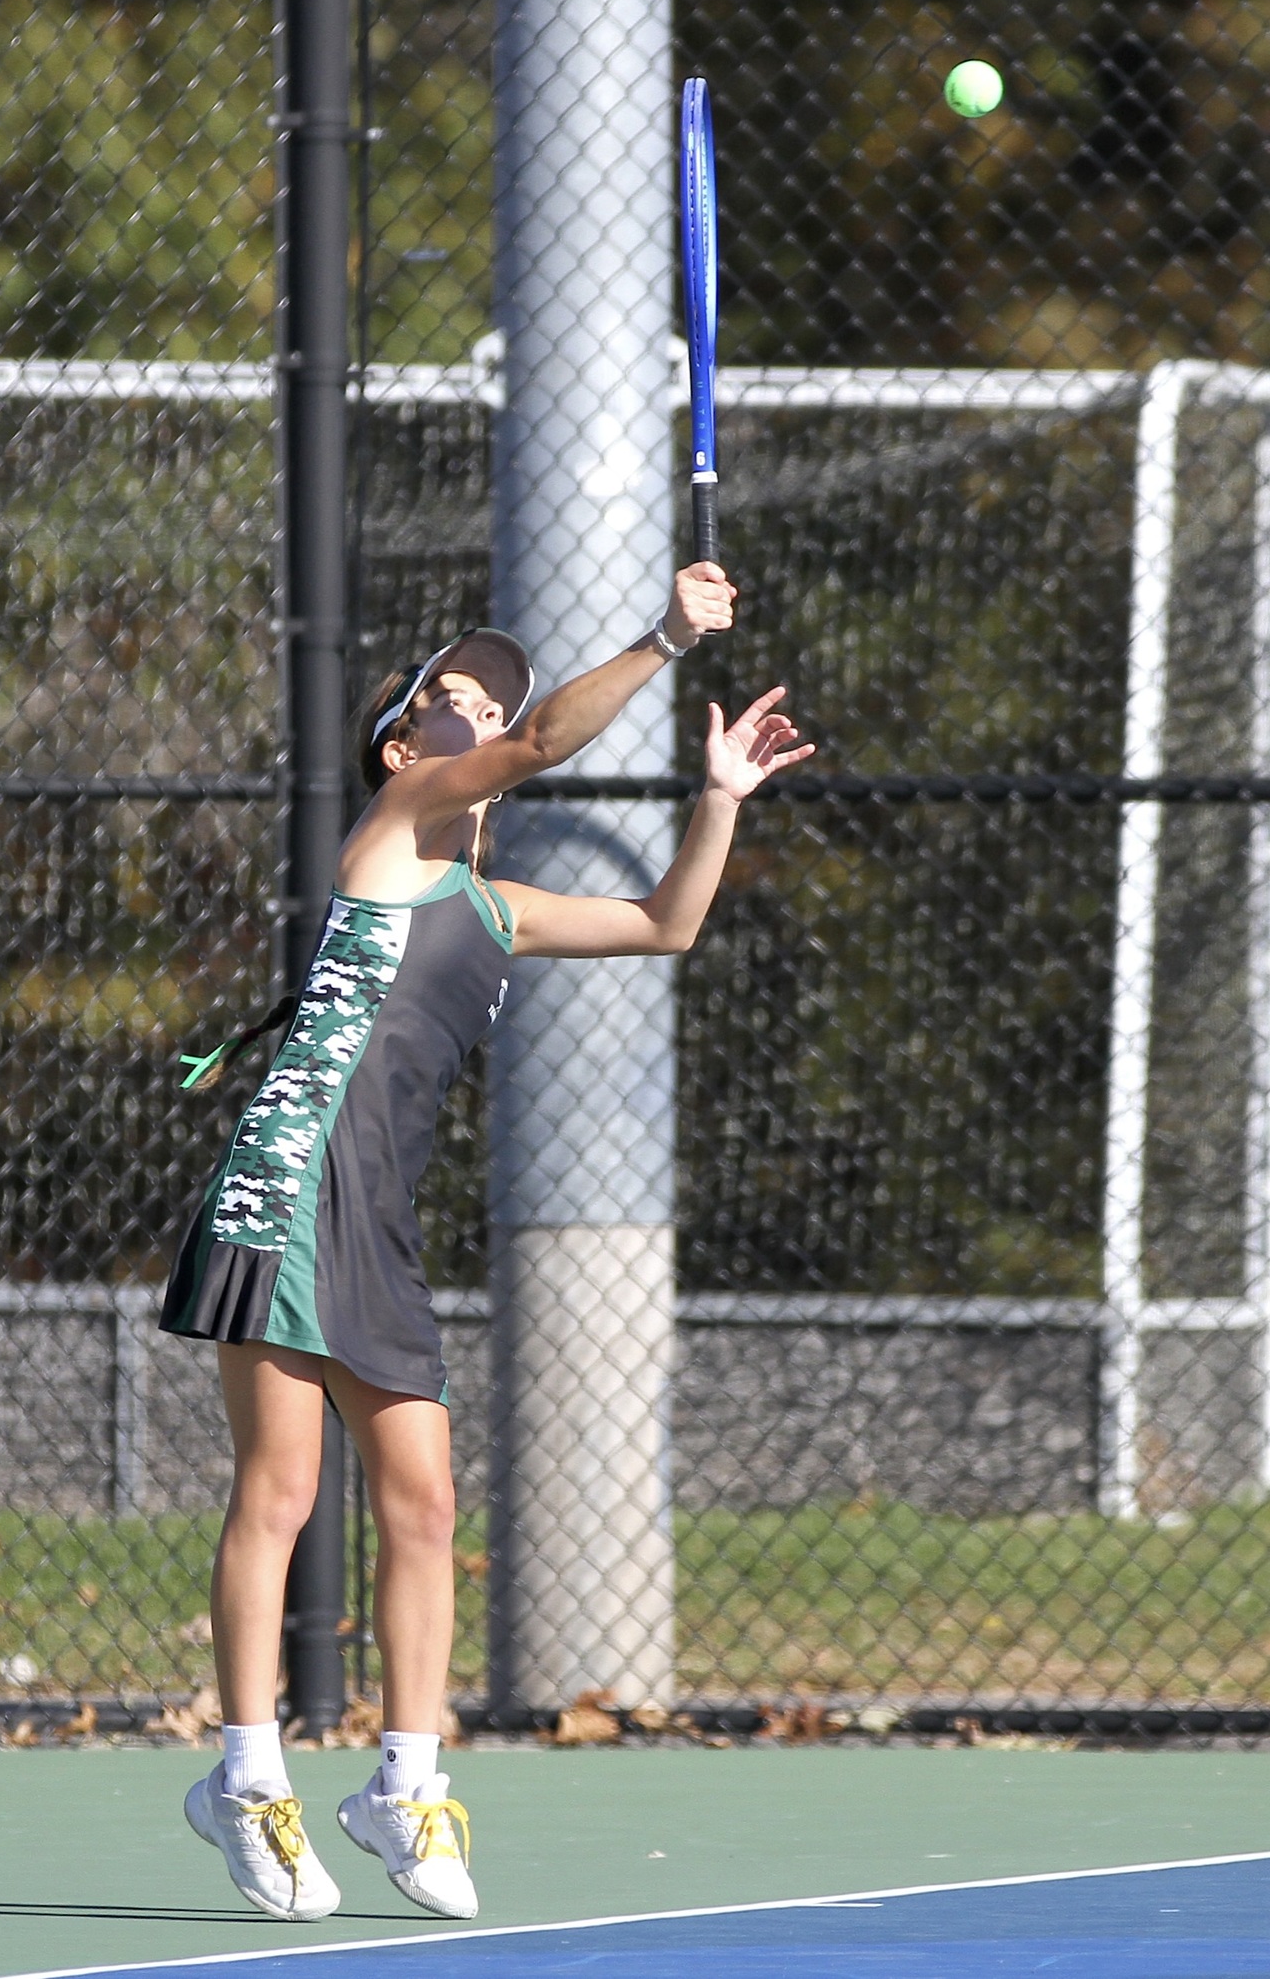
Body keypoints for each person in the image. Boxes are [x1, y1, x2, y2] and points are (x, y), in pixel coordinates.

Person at [160, 561, 814, 1923]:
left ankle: (403, 1788)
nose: (488, 717)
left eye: (491, 708)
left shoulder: (497, 911)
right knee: (280, 1494)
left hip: (377, 1219)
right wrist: (659, 636)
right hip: (289, 1179)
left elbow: (663, 925)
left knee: (423, 1507)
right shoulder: (396, 819)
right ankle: (245, 1778)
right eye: (460, 700)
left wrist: (718, 802)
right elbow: (544, 740)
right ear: (408, 742)